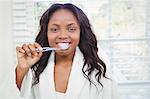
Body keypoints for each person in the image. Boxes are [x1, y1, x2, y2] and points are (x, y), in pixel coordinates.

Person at [15, 3, 119, 99]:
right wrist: (21, 69)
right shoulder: (34, 66)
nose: (63, 36)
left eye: (71, 29)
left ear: (81, 32)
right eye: (54, 29)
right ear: (46, 33)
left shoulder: (99, 68)